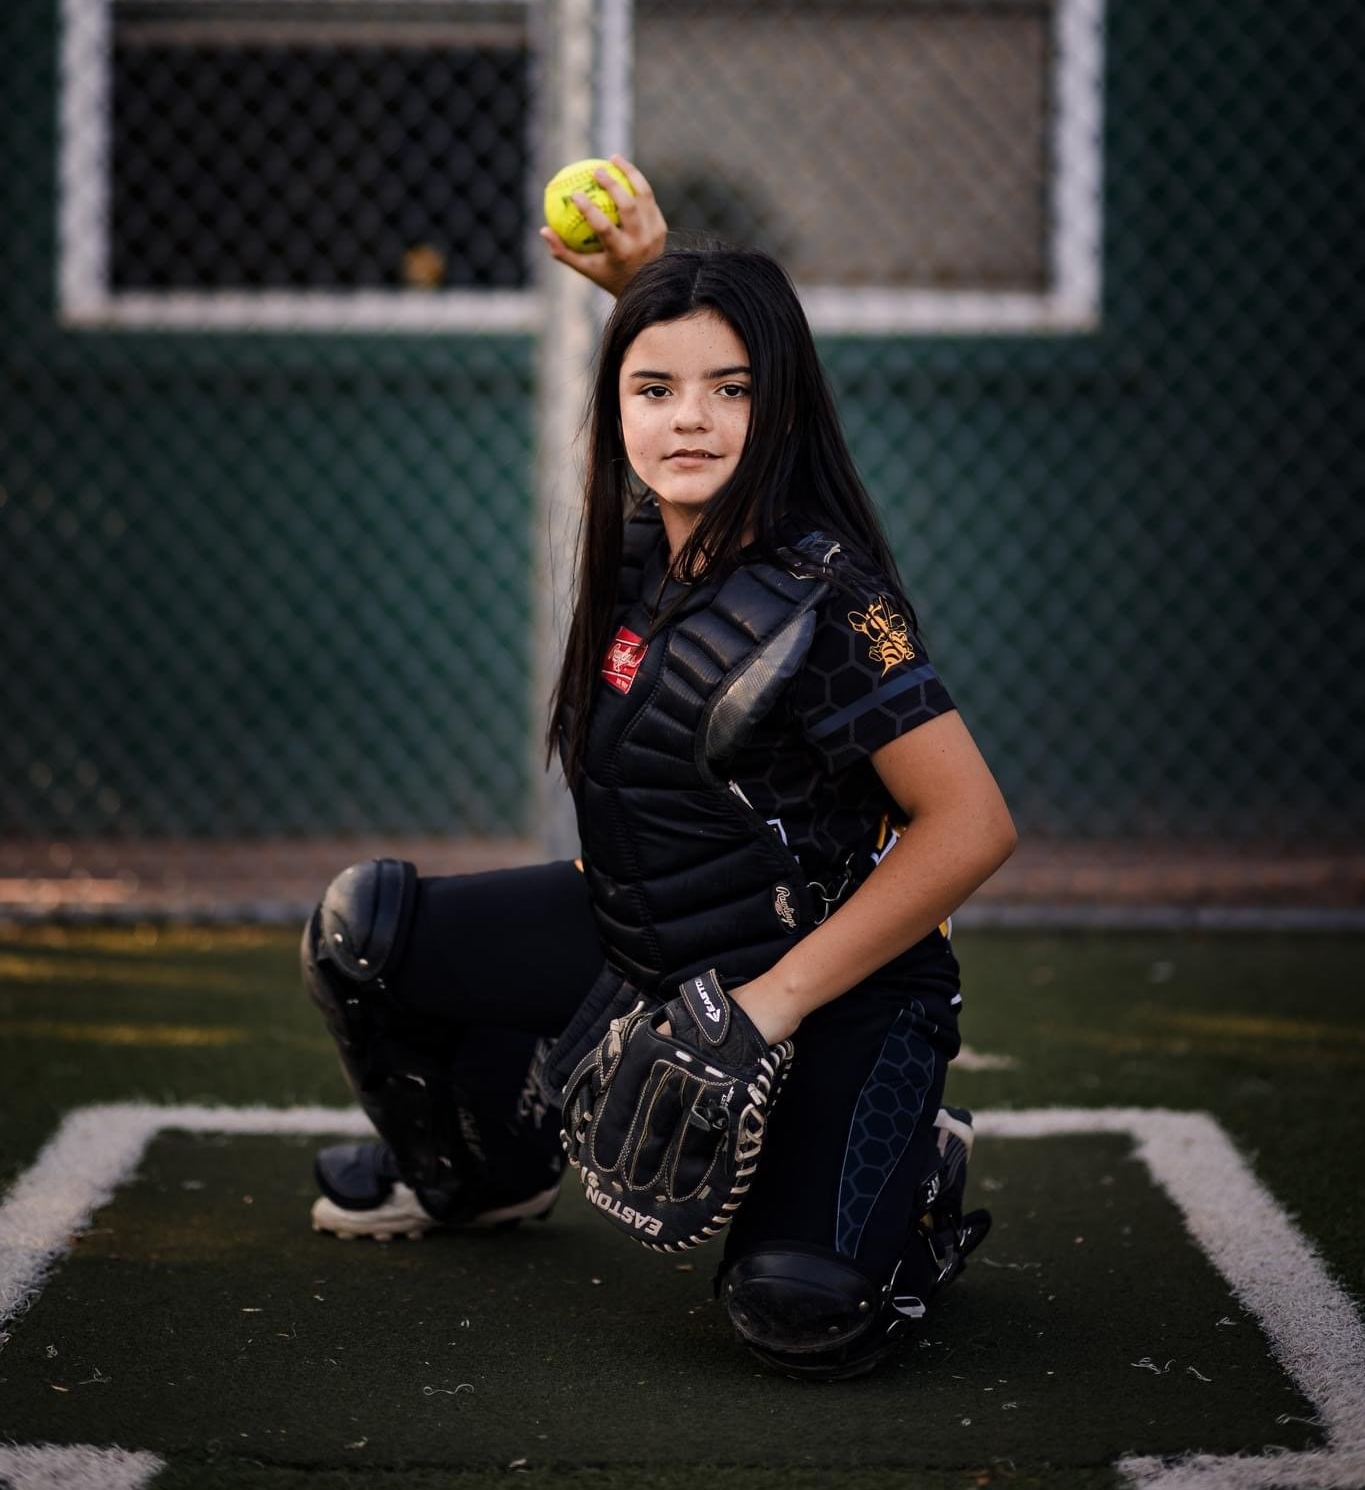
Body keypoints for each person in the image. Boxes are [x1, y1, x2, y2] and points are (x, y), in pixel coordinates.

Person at [302, 159, 1017, 1379]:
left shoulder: (829, 595)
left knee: (799, 1307)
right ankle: (479, 1175)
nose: (690, 417)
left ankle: (914, 1174)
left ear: (778, 409)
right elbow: (686, 362)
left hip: (833, 994)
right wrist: (653, 279)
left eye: (731, 391)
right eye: (656, 388)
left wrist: (768, 1009)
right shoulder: (645, 534)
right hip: (647, 948)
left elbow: (971, 827)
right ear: (619, 404)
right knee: (365, 930)